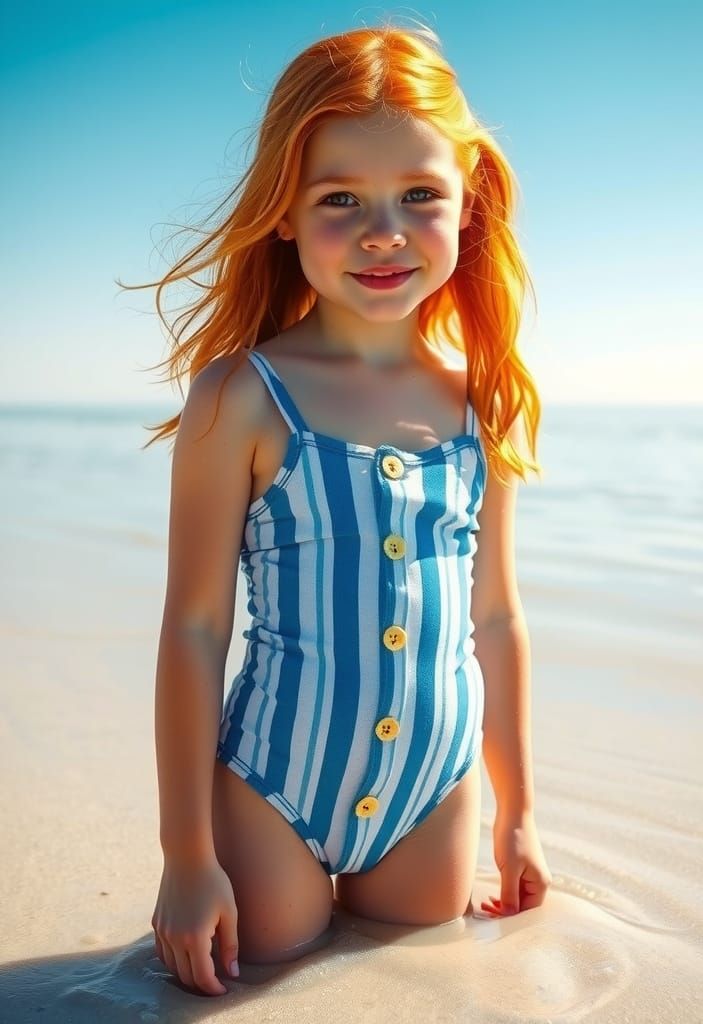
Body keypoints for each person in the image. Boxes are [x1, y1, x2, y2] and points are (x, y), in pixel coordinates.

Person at [139, 23, 552, 998]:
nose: (383, 232)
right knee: (256, 970)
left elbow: (496, 618)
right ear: (283, 212)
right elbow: (195, 628)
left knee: (412, 983)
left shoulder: (481, 400)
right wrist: (186, 855)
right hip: (276, 788)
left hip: (433, 789)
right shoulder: (242, 396)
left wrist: (519, 813)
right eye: (340, 200)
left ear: (467, 201)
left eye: (418, 196)